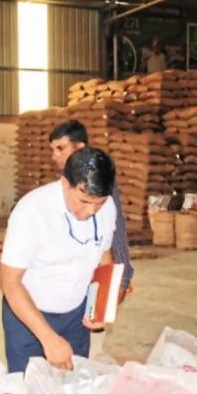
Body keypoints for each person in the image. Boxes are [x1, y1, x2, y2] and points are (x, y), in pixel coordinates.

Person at [0, 148, 117, 372]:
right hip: (29, 317)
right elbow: (9, 282)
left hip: (76, 315)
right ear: (65, 183)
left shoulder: (107, 208)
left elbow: (104, 255)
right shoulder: (32, 212)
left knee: (72, 391)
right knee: (31, 392)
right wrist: (48, 339)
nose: (91, 210)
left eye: (98, 203)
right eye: (83, 200)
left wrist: (100, 306)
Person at [49, 120, 133, 300]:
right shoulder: (63, 183)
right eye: (53, 149)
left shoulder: (98, 182)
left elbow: (116, 230)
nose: (54, 156)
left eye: (60, 148)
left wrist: (123, 275)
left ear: (79, 147)